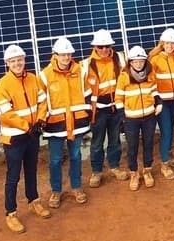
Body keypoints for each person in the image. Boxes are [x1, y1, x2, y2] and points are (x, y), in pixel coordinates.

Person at [0, 44, 51, 234]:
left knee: (32, 170)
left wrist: (41, 120)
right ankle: (11, 213)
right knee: (13, 176)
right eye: (13, 61)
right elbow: (5, 114)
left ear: (24, 60)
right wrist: (28, 126)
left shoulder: (34, 79)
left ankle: (33, 201)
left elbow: (43, 101)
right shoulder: (2, 85)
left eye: (20, 60)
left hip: (32, 135)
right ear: (7, 63)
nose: (17, 63)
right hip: (14, 139)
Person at [39, 36, 91, 208]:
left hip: (76, 123)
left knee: (76, 156)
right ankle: (56, 190)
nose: (66, 58)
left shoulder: (80, 71)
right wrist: (41, 120)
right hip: (55, 125)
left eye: (69, 54)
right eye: (63, 55)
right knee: (55, 159)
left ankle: (77, 187)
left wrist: (88, 113)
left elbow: (88, 94)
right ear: (55, 55)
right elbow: (41, 100)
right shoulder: (45, 75)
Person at [84, 29, 128, 188]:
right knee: (97, 141)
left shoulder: (120, 59)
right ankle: (97, 171)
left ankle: (114, 167)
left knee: (115, 139)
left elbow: (126, 79)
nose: (104, 49)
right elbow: (85, 89)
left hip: (116, 107)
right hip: (98, 110)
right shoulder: (87, 64)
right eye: (100, 46)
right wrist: (89, 109)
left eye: (106, 46)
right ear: (95, 47)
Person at [116, 46, 161, 190]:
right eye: (135, 61)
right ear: (130, 62)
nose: (138, 64)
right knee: (132, 147)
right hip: (131, 119)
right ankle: (134, 173)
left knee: (148, 144)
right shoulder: (124, 77)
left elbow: (154, 90)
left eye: (141, 61)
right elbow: (118, 98)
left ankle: (147, 171)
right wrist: (123, 117)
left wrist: (158, 102)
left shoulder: (150, 74)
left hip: (149, 116)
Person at [150, 28, 174, 177]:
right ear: (162, 43)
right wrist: (156, 101)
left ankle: (168, 152)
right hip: (162, 102)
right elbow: (151, 82)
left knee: (170, 128)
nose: (170, 46)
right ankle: (164, 164)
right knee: (167, 131)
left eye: (173, 43)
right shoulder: (155, 60)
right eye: (167, 43)